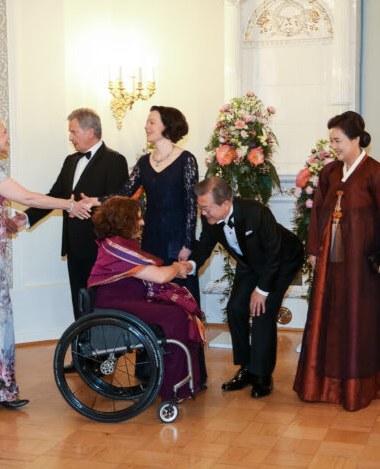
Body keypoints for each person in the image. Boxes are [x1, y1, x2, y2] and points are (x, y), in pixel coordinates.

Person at [0, 111, 94, 410]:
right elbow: (28, 198)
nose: (8, 136)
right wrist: (71, 204)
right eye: (4, 131)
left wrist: (8, 223)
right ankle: (2, 390)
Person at [293, 111, 380, 411]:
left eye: (338, 140)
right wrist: (313, 249)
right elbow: (317, 213)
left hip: (363, 264)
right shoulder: (329, 173)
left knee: (359, 318)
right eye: (332, 141)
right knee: (332, 315)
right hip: (332, 262)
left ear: (356, 139)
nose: (334, 146)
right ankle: (325, 385)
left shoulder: (377, 173)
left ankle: (360, 385)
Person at [85, 106, 206, 383]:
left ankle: (190, 372)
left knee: (181, 304)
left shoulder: (186, 159)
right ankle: (147, 371)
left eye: (151, 122)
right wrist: (94, 201)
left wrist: (187, 244)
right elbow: (124, 194)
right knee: (148, 299)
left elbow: (191, 206)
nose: (146, 126)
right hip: (149, 240)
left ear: (167, 126)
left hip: (178, 240)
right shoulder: (143, 162)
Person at [188, 177, 304, 398]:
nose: (203, 213)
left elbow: (273, 254)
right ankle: (246, 369)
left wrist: (262, 290)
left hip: (282, 260)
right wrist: (190, 264)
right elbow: (204, 244)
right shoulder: (211, 218)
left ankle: (262, 375)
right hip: (250, 261)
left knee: (262, 311)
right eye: (200, 208)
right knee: (236, 308)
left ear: (225, 204)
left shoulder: (256, 212)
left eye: (206, 208)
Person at [88, 197, 204, 401]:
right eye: (138, 218)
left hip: (128, 299)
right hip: (117, 303)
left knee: (177, 310)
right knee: (175, 315)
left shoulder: (119, 243)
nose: (142, 222)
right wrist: (178, 267)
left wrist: (175, 270)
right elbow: (160, 276)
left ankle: (181, 383)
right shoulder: (116, 248)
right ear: (123, 220)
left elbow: (154, 273)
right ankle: (172, 390)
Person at [24, 108, 128, 319]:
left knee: (101, 304)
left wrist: (91, 206)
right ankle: (81, 348)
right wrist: (26, 217)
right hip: (74, 247)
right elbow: (54, 196)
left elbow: (119, 204)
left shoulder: (114, 160)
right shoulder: (70, 161)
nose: (70, 137)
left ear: (90, 131)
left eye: (73, 132)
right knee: (79, 303)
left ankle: (104, 351)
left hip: (101, 248)